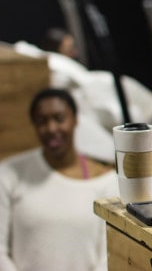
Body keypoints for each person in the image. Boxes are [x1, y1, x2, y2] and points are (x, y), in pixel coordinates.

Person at [0, 88, 118, 271]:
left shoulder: (108, 183)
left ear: (75, 120)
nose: (51, 128)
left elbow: (108, 257)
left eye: (59, 118)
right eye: (41, 121)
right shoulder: (9, 174)